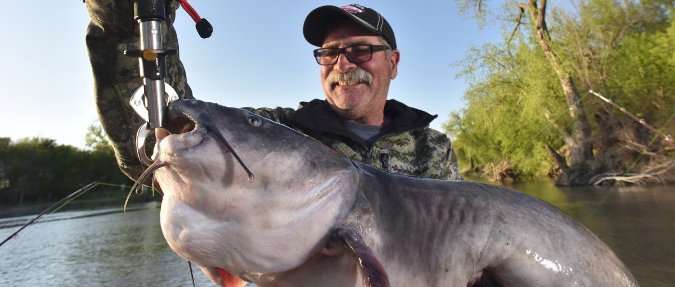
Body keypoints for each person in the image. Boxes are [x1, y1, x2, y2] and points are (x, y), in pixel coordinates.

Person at [84, 2, 462, 181]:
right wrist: (123, 17)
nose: (343, 64)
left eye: (360, 50)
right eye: (329, 53)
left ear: (393, 63)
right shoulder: (275, 131)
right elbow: (168, 134)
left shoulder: (433, 149)